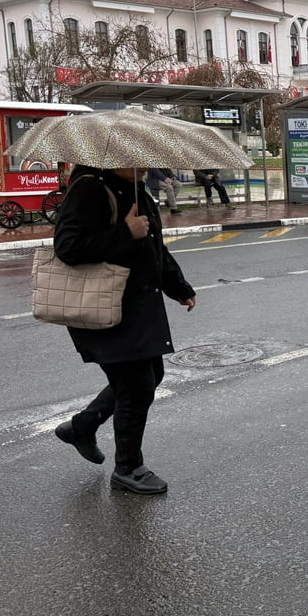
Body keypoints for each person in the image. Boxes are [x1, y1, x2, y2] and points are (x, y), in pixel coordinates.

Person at [52, 165, 196, 495]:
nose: (143, 166)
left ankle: (82, 427)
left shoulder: (134, 189)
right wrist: (124, 233)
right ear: (112, 158)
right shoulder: (89, 189)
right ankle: (128, 467)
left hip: (136, 306)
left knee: (151, 375)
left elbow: (153, 246)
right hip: (105, 308)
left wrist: (178, 286)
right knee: (136, 386)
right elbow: (68, 246)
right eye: (135, 159)